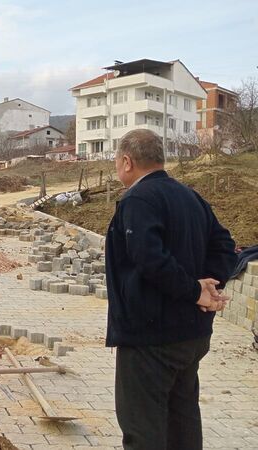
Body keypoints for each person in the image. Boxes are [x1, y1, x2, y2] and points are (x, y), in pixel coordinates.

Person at [104, 129, 236, 450]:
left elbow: (149, 258)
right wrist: (209, 285)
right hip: (191, 335)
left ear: (126, 161)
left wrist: (196, 290)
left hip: (152, 338)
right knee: (182, 421)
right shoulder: (190, 196)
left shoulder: (138, 199)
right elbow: (226, 247)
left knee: (144, 429)